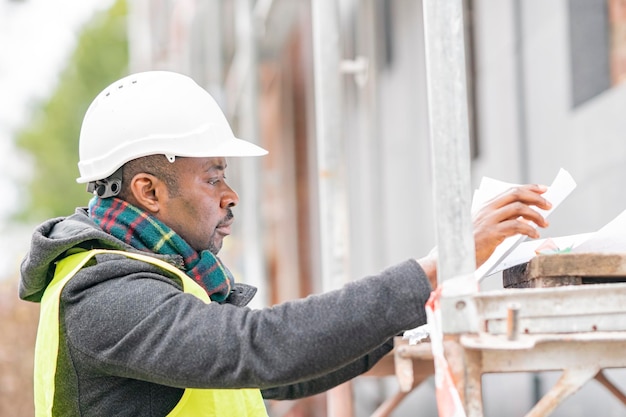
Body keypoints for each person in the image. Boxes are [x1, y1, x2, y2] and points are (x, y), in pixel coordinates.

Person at [19, 71, 551, 417]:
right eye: (213, 178)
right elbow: (263, 349)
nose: (230, 196)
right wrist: (435, 268)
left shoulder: (156, 280)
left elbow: (279, 378)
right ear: (149, 191)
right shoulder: (104, 295)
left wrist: (420, 335)